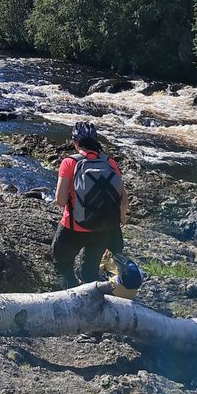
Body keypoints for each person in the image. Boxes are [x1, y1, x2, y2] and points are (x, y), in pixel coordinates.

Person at [52, 121, 128, 288]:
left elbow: (60, 200)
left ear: (75, 142)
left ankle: (70, 294)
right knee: (90, 270)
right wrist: (121, 218)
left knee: (62, 266)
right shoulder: (109, 163)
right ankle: (91, 298)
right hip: (104, 228)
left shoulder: (69, 163)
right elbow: (123, 200)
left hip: (73, 227)